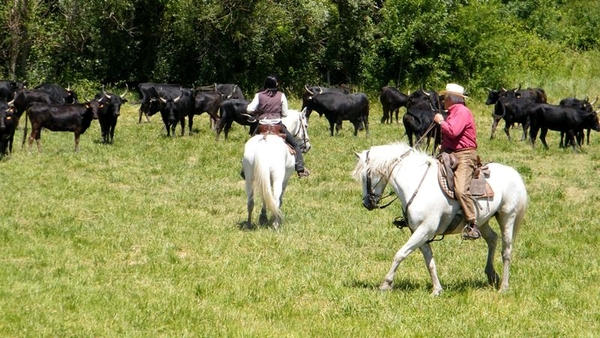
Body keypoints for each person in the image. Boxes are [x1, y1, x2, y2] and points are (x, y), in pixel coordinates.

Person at [433, 83, 480, 240]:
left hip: (465, 155)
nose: (442, 100)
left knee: (460, 189)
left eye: (444, 97)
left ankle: (472, 223)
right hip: (451, 153)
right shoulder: (453, 112)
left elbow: (453, 131)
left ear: (451, 98)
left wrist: (441, 122)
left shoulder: (461, 111)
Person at [245, 75, 310, 178]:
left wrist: (259, 112)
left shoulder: (259, 95)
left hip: (262, 126)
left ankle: (245, 170)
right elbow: (285, 114)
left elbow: (249, 109)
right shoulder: (281, 95)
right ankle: (300, 169)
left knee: (249, 145)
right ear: (276, 85)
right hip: (277, 126)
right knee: (296, 145)